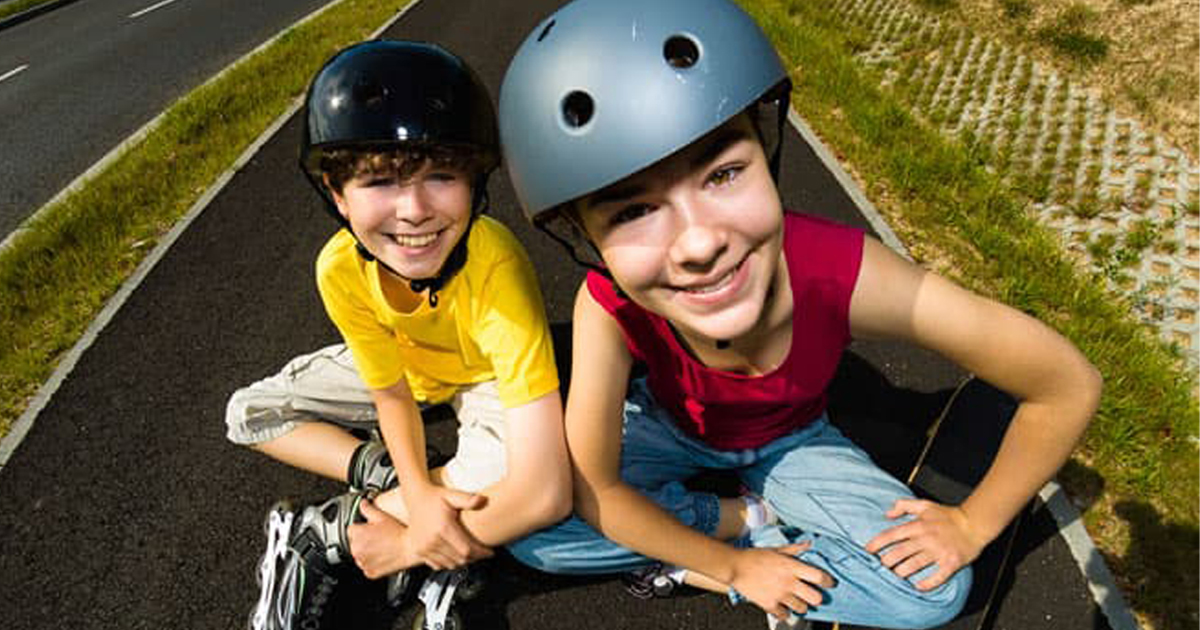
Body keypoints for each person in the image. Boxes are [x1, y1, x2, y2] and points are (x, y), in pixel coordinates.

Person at [497, 0, 1102, 628]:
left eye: (724, 174)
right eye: (632, 212)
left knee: (934, 592)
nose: (699, 244)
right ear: (586, 238)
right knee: (534, 530)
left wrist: (972, 525)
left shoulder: (842, 274)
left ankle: (694, 551)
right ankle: (742, 529)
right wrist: (734, 566)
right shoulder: (607, 304)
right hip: (670, 428)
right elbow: (599, 488)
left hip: (790, 442)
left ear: (767, 153)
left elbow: (1065, 383)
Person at [226, 40, 570, 630]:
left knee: (511, 484)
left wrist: (413, 539)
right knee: (248, 413)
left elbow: (549, 492)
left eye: (441, 175)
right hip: (408, 372)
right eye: (381, 181)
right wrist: (418, 490)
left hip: (479, 376)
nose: (413, 210)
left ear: (475, 184)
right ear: (337, 195)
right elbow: (390, 394)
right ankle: (385, 478)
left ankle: (326, 533)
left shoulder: (496, 268)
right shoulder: (339, 268)